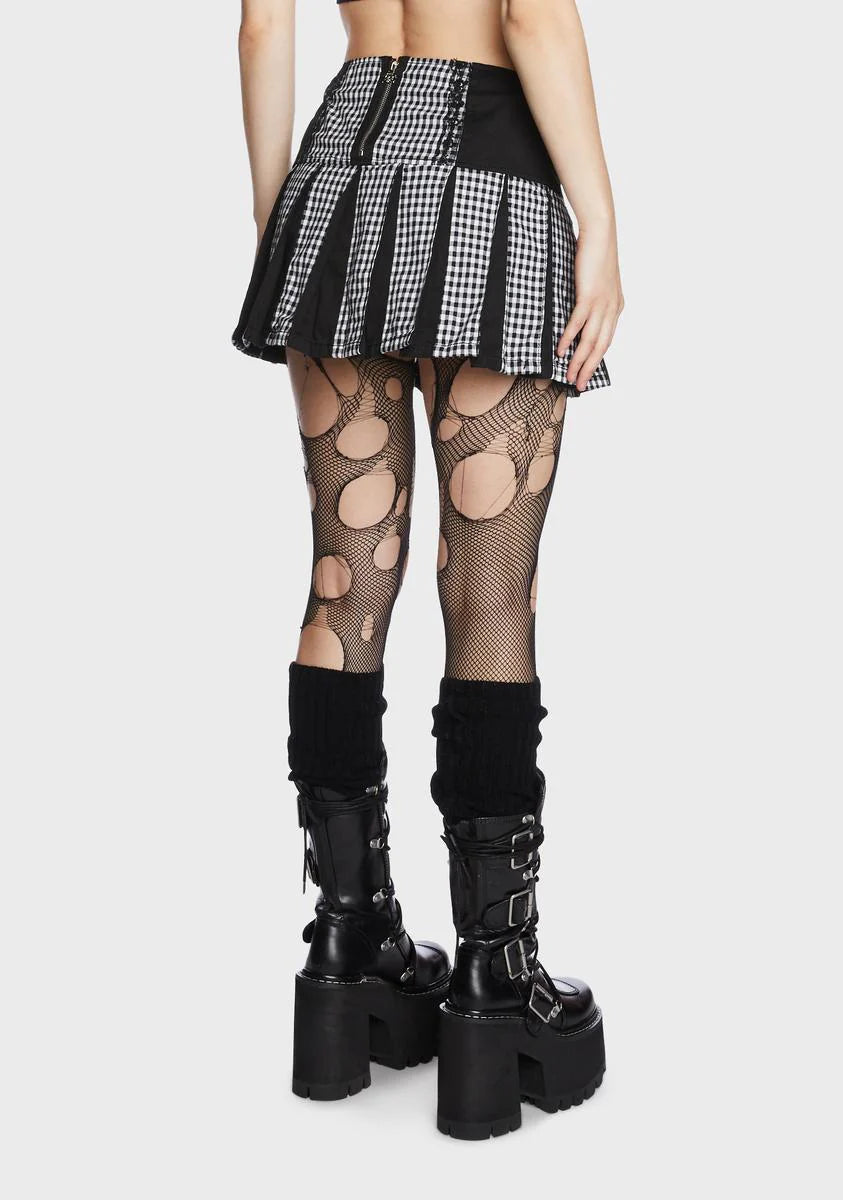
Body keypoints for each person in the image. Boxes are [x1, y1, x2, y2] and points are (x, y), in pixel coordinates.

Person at [233, 0, 623, 1140]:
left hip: (337, 173)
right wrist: (601, 217)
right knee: (490, 596)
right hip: (492, 179)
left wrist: (278, 217)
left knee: (342, 583)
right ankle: (496, 979)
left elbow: (260, 30)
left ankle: (347, 945)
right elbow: (529, 17)